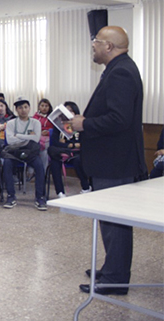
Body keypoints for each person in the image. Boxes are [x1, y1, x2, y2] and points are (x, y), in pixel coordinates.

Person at [69, 26, 146, 295]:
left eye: (96, 42)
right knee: (110, 221)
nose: (93, 46)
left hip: (115, 162)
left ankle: (115, 279)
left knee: (116, 223)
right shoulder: (119, 68)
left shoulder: (121, 72)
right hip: (112, 160)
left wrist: (84, 123)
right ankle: (112, 268)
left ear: (110, 47)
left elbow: (119, 119)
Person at [1, 97, 47, 210]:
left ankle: (40, 197)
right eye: (20, 107)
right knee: (7, 163)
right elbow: (10, 140)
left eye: (26, 107)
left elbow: (36, 139)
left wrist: (19, 136)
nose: (23, 110)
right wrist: (27, 139)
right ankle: (11, 196)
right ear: (16, 109)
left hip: (30, 153)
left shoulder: (36, 123)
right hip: (14, 152)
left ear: (29, 108)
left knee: (39, 166)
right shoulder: (11, 123)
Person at [48, 101, 91, 198]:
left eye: (71, 111)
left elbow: (83, 143)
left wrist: (68, 144)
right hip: (62, 152)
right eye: (66, 110)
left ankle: (86, 187)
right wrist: (72, 145)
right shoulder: (58, 126)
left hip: (76, 154)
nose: (68, 113)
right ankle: (60, 192)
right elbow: (55, 143)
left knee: (77, 160)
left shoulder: (80, 126)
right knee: (55, 162)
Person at [33, 98, 53, 170]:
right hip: (37, 138)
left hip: (48, 138)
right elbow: (29, 130)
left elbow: (55, 130)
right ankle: (31, 170)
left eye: (46, 106)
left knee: (44, 152)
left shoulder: (52, 117)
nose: (44, 108)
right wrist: (38, 132)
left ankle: (43, 172)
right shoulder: (34, 117)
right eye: (42, 105)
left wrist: (48, 132)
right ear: (39, 107)